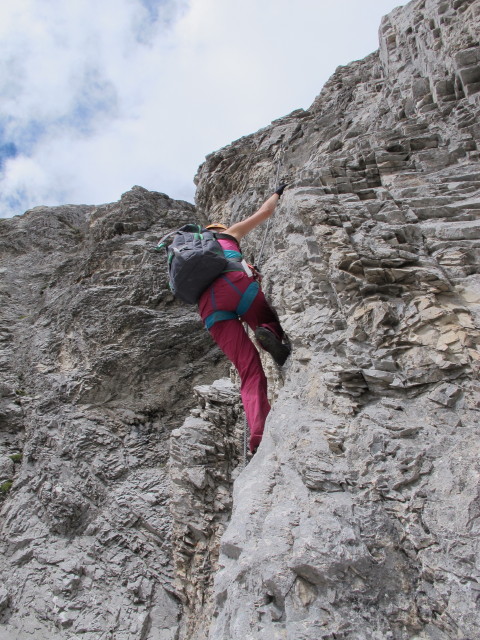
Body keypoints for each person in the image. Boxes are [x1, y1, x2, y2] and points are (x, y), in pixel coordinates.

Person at [198, 185, 291, 454]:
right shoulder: (228, 235)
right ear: (219, 228)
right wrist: (277, 192)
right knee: (266, 319)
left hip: (209, 307)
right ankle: (268, 332)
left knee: (248, 371)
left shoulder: (188, 258)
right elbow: (265, 211)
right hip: (236, 284)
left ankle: (258, 437)